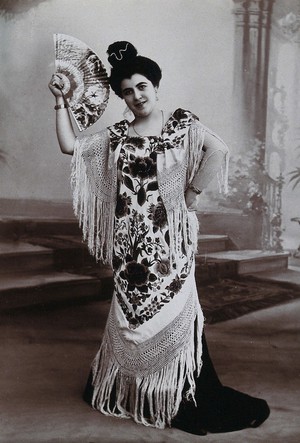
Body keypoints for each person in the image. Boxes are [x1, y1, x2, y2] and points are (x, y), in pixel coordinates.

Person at [48, 41, 270, 435]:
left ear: (155, 85)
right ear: (121, 96)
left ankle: (175, 394)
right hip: (129, 243)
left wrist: (192, 192)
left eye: (142, 86)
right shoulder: (116, 135)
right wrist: (61, 101)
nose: (136, 96)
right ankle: (133, 391)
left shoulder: (183, 124)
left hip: (170, 241)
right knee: (129, 313)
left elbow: (218, 150)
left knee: (170, 311)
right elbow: (70, 146)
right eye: (128, 91)